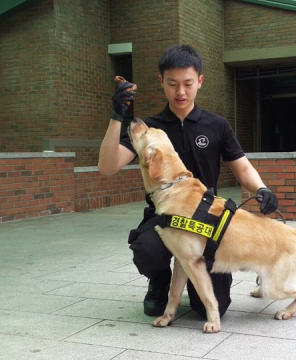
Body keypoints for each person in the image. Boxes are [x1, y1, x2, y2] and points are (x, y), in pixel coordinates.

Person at [98, 45, 278, 318]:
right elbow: (107, 167)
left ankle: (201, 286)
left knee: (209, 307)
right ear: (161, 82)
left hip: (208, 218)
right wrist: (116, 116)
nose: (180, 92)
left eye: (187, 84)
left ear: (200, 82)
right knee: (147, 248)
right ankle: (159, 283)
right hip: (164, 214)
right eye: (172, 84)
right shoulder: (150, 128)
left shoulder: (216, 125)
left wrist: (261, 188)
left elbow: (242, 168)